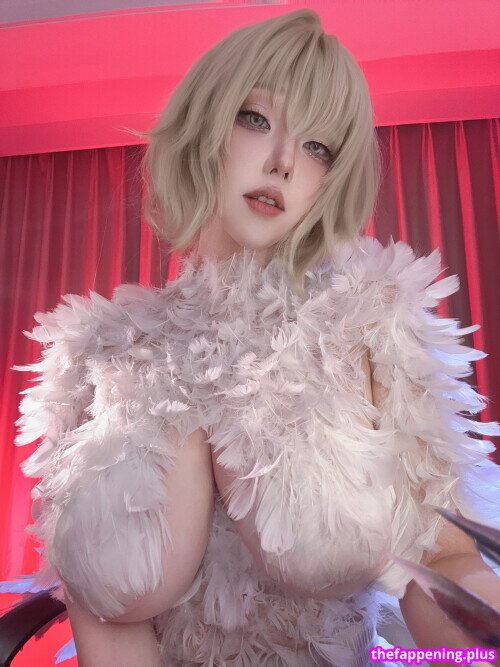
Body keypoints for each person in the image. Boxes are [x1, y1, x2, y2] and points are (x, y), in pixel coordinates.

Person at [1, 9, 499, 667]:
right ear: (204, 122)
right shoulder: (98, 350)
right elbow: (103, 612)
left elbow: (443, 558)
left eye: (319, 147)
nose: (284, 162)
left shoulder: (366, 319)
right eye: (257, 119)